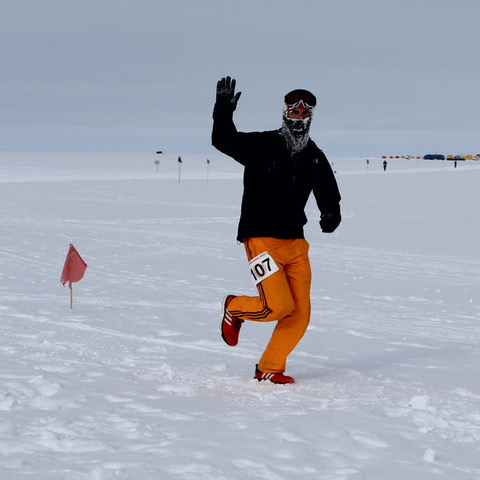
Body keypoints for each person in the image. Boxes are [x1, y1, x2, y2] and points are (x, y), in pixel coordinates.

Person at [212, 76, 341, 384]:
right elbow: (223, 140)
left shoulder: (314, 155)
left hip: (296, 243)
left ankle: (270, 366)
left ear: (310, 117)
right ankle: (235, 307)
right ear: (285, 113)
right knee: (277, 306)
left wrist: (331, 213)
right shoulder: (262, 144)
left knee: (300, 313)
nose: (299, 117)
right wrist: (223, 109)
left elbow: (327, 189)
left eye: (304, 113)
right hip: (261, 238)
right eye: (294, 112)